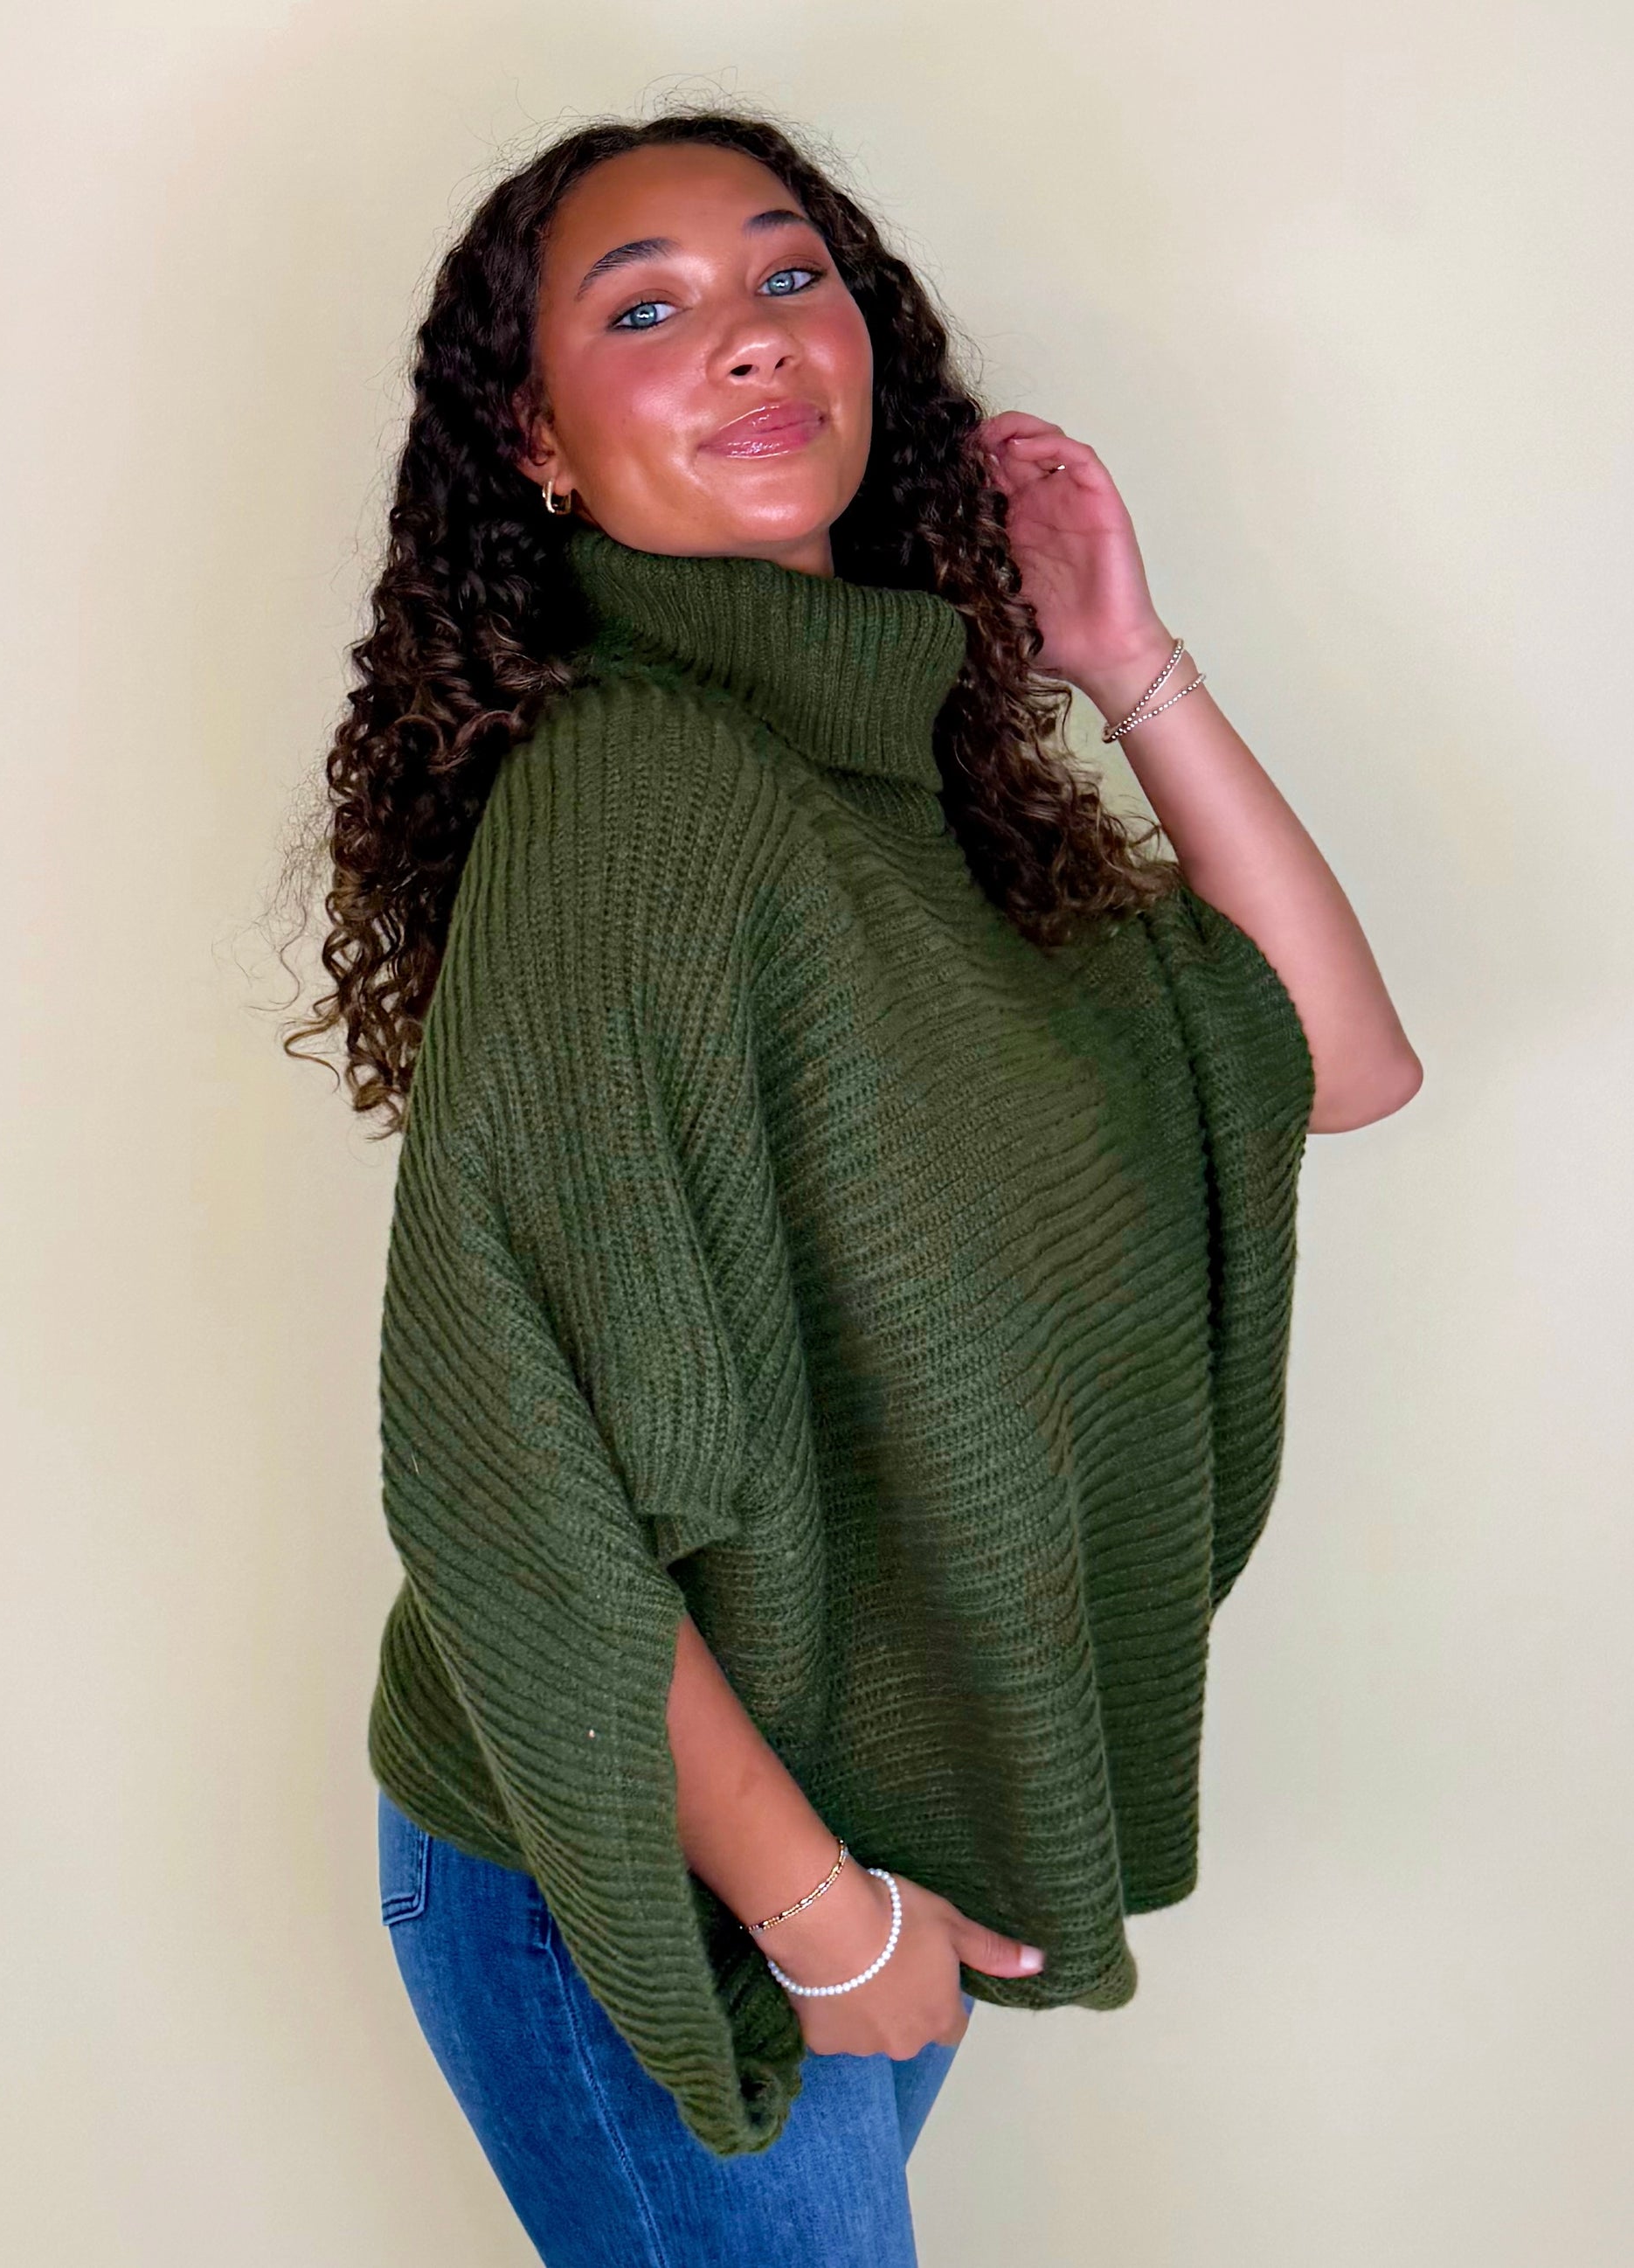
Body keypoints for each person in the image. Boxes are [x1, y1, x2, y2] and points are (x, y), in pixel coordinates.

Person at [285, 102, 1422, 2268]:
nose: (747, 333)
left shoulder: (913, 777)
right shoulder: (637, 793)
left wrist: (1121, 661)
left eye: (788, 275)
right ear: (534, 440)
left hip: (860, 1820)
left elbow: (1333, 1058)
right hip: (647, 1855)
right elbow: (509, 1460)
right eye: (646, 311)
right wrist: (813, 1912)